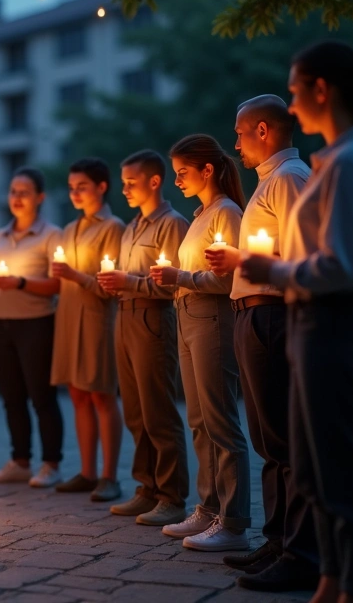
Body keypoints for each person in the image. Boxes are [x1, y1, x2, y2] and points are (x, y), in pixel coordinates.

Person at [242, 40, 353, 603]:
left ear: (321, 90)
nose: (292, 106)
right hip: (311, 324)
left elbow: (341, 264)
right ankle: (330, 579)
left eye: (296, 91)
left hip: (336, 323)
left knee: (344, 471)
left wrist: (268, 267)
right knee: (312, 466)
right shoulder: (334, 160)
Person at [206, 96, 317, 590]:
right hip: (253, 314)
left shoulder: (289, 179)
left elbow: (302, 250)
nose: (235, 143)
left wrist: (240, 260)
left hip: (272, 314)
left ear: (264, 130)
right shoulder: (270, 182)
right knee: (268, 439)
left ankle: (299, 551)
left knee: (284, 440)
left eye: (240, 133)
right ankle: (276, 541)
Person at [150, 134, 249, 552]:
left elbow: (226, 279)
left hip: (212, 317)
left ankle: (234, 521)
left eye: (183, 173)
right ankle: (208, 510)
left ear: (208, 170)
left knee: (220, 419)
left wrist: (180, 278)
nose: (178, 181)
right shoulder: (201, 215)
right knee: (198, 419)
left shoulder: (226, 213)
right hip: (188, 316)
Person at [96, 150, 191, 526]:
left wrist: (129, 282)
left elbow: (174, 283)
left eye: (131, 182)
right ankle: (146, 488)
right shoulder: (131, 226)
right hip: (125, 318)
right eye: (123, 183)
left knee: (159, 412)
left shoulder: (173, 223)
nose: (126, 189)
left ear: (155, 181)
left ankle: (172, 496)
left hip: (154, 319)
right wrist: (114, 284)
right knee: (135, 413)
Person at [0, 167, 65, 488]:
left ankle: (51, 463)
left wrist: (19, 281)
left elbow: (57, 284)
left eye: (24, 192)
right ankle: (19, 460)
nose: (17, 198)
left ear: (40, 197)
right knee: (11, 396)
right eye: (13, 191)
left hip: (37, 324)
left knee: (41, 396)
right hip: (0, 323)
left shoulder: (51, 234)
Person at [50, 158, 126, 502]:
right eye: (71, 187)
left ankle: (110, 476)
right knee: (77, 394)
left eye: (82, 186)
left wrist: (75, 276)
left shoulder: (113, 227)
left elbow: (110, 285)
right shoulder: (69, 229)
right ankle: (87, 471)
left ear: (101, 186)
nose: (75, 193)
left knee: (101, 395)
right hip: (68, 316)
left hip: (97, 318)